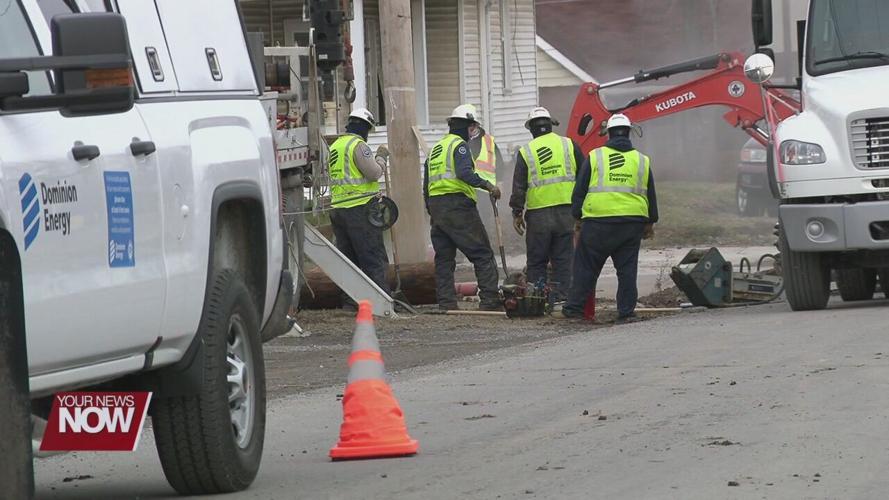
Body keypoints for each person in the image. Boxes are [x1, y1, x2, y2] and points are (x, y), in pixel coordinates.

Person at [559, 113, 658, 323]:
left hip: (597, 223)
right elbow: (650, 194)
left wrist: (577, 217)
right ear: (629, 132)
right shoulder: (642, 160)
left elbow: (580, 190)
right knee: (627, 270)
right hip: (631, 224)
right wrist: (650, 222)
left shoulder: (595, 157)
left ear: (609, 133)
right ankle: (626, 312)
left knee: (585, 267)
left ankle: (574, 309)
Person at [424, 104, 503, 311]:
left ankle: (446, 302)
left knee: (444, 259)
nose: (473, 132)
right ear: (466, 127)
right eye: (472, 128)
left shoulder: (436, 149)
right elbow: (464, 173)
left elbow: (426, 185)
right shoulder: (459, 146)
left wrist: (432, 211)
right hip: (458, 206)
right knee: (482, 253)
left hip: (437, 208)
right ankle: (490, 300)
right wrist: (488, 186)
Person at [509, 107, 585, 301]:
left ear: (531, 129)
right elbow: (584, 177)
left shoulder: (526, 151)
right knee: (564, 260)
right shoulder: (569, 145)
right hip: (566, 213)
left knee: (537, 261)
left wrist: (517, 212)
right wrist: (582, 210)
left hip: (538, 216)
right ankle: (562, 299)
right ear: (551, 124)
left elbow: (519, 186)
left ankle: (538, 300)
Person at [328, 108, 391, 307]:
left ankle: (349, 303)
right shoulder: (358, 145)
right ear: (365, 127)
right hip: (360, 208)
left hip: (338, 209)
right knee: (373, 257)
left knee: (348, 260)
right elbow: (373, 173)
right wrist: (381, 157)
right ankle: (381, 303)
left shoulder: (336, 146)